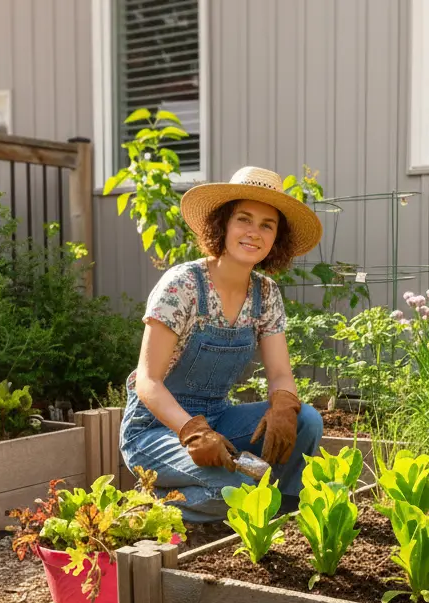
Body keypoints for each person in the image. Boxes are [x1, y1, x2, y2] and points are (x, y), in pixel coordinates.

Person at [119, 166, 325, 523]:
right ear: (223, 225)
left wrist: (283, 405)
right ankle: (151, 504)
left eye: (267, 225)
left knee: (306, 419)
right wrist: (192, 432)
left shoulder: (266, 293)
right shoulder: (182, 284)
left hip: (219, 419)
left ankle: (283, 513)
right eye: (244, 219)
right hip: (156, 430)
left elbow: (279, 373)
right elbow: (147, 382)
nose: (253, 233)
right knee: (232, 492)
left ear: (277, 238)